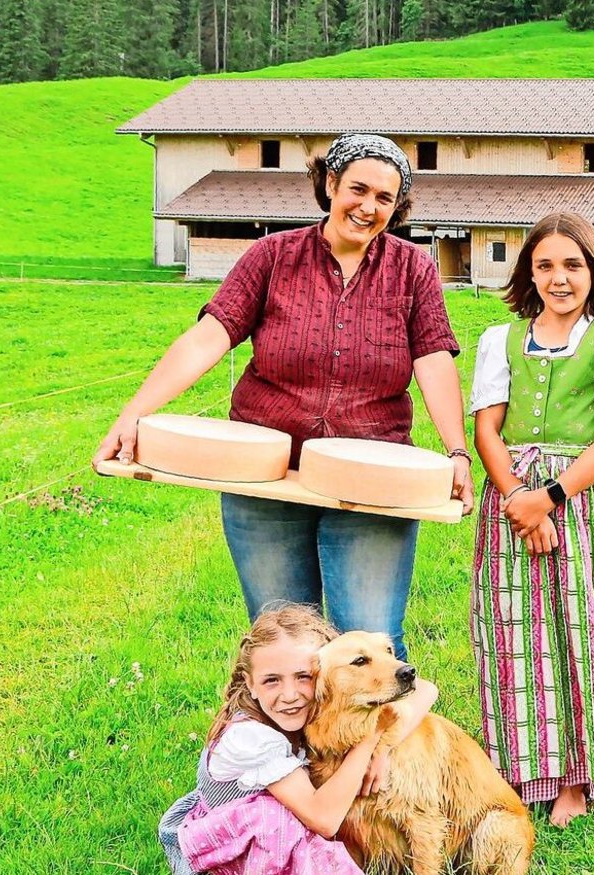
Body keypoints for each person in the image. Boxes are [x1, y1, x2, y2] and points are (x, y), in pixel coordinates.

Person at [93, 133, 472, 660]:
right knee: (286, 646)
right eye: (357, 189)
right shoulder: (272, 257)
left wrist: (456, 452)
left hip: (371, 478)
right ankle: (290, 746)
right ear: (330, 183)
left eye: (384, 198)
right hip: (264, 481)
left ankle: (376, 748)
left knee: (369, 645)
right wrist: (133, 414)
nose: (368, 207)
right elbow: (209, 336)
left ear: (397, 207)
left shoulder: (413, 268)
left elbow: (433, 360)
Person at [468, 212, 594, 828]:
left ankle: (577, 776)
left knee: (581, 632)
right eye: (546, 265)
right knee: (513, 632)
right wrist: (519, 502)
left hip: (581, 503)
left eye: (572, 265)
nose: (559, 278)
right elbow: (486, 430)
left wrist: (547, 498)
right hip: (512, 503)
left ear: (593, 270)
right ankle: (522, 767)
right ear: (529, 271)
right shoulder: (498, 342)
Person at [158, 602, 439, 875]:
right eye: (272, 680)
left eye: (303, 677)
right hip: (237, 853)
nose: (290, 695)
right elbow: (325, 819)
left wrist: (384, 749)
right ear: (250, 683)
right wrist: (372, 738)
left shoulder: (305, 715)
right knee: (276, 817)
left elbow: (426, 690)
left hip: (271, 841)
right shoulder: (250, 738)